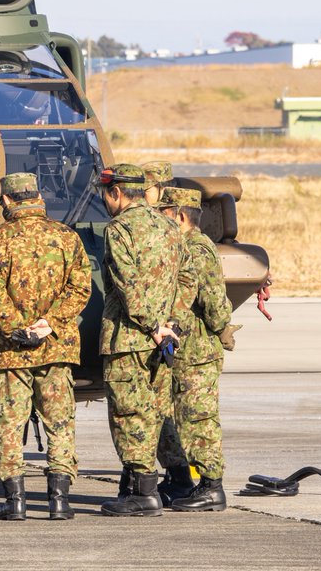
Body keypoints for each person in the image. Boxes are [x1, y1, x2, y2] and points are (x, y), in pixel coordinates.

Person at [0, 172, 91, 521]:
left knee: (9, 424)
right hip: (56, 348)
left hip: (9, 351)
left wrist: (17, 329)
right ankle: (59, 501)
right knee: (60, 423)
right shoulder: (67, 237)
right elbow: (80, 289)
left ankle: (15, 502)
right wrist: (49, 325)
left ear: (8, 201)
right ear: (38, 198)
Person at [95, 164, 184, 517]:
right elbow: (180, 280)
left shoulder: (119, 229)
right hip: (163, 340)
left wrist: (150, 325)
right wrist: (169, 326)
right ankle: (136, 487)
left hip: (130, 339)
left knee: (128, 416)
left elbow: (126, 284)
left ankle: (143, 493)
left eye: (106, 193)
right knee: (152, 413)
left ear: (116, 192)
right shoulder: (168, 225)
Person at [156, 186, 232, 512]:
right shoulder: (178, 248)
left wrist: (220, 330)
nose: (159, 219)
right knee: (172, 419)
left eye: (165, 213)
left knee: (199, 419)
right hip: (181, 352)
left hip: (198, 353)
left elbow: (216, 306)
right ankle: (180, 481)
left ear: (182, 216)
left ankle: (212, 486)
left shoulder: (198, 251)